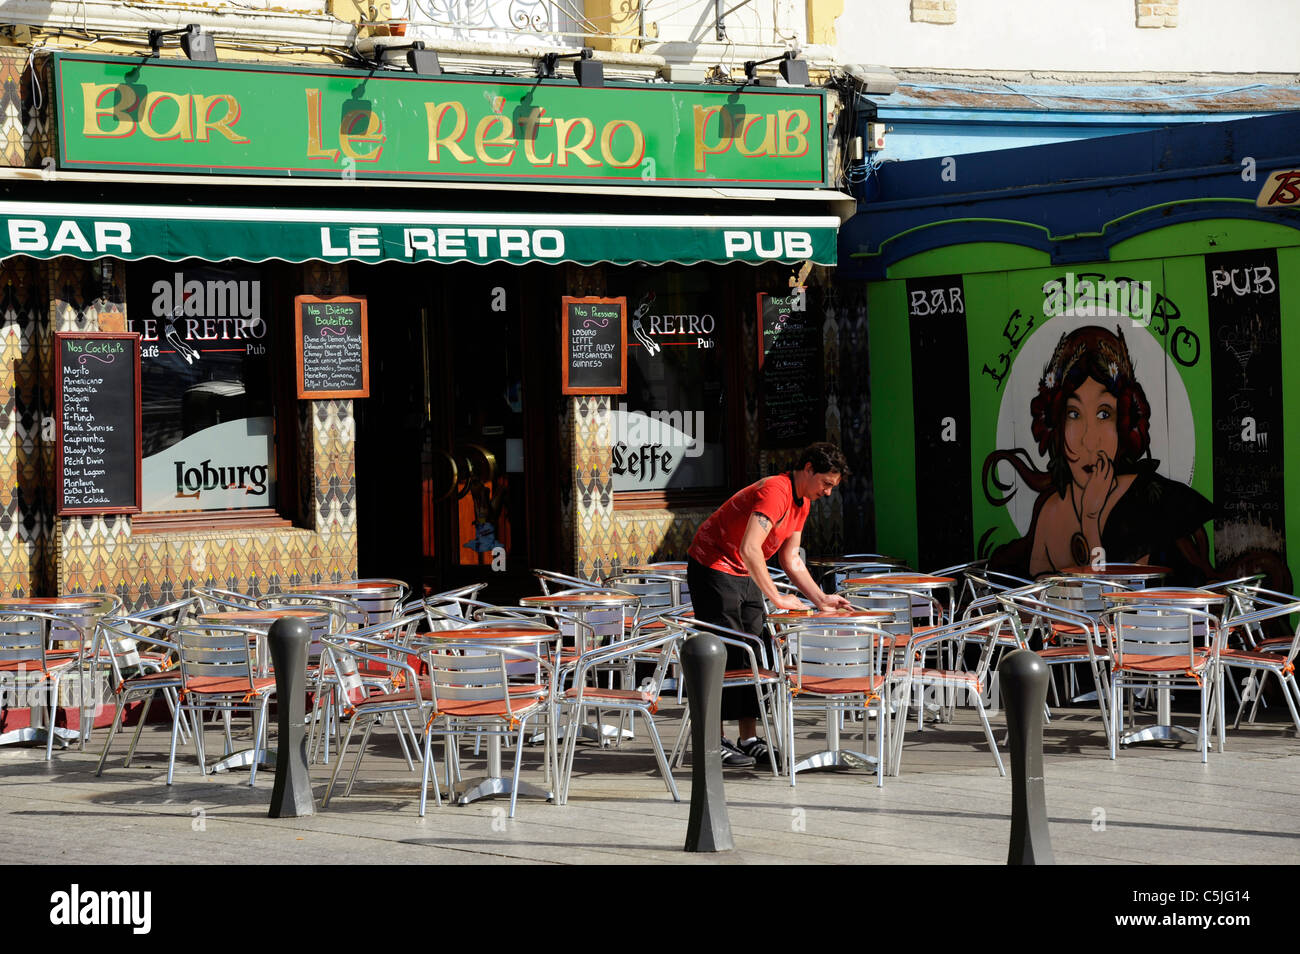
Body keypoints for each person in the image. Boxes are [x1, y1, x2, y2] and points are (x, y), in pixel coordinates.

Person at [983, 324, 1214, 583]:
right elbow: (1037, 586)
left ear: (1125, 424)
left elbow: (1117, 597)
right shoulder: (1050, 511)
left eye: (1104, 413)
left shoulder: (1145, 503)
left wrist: (1091, 522)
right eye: (1074, 414)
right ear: (1056, 425)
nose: (1089, 440)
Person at [686, 441, 853, 767]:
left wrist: (820, 599)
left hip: (743, 569)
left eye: (832, 487)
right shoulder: (776, 491)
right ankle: (712, 742)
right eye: (826, 484)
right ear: (808, 469)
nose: (828, 493)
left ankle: (747, 739)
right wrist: (776, 598)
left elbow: (790, 558)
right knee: (725, 651)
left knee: (756, 648)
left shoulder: (801, 502)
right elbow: (751, 548)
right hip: (712, 566)